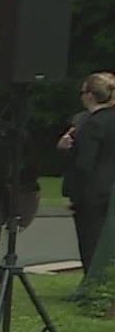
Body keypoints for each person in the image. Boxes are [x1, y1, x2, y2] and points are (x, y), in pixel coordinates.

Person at [64, 73, 115, 281]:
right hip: (110, 188)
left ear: (91, 96)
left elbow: (85, 164)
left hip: (93, 191)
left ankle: (93, 285)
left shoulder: (92, 124)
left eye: (83, 92)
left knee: (90, 241)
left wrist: (73, 192)